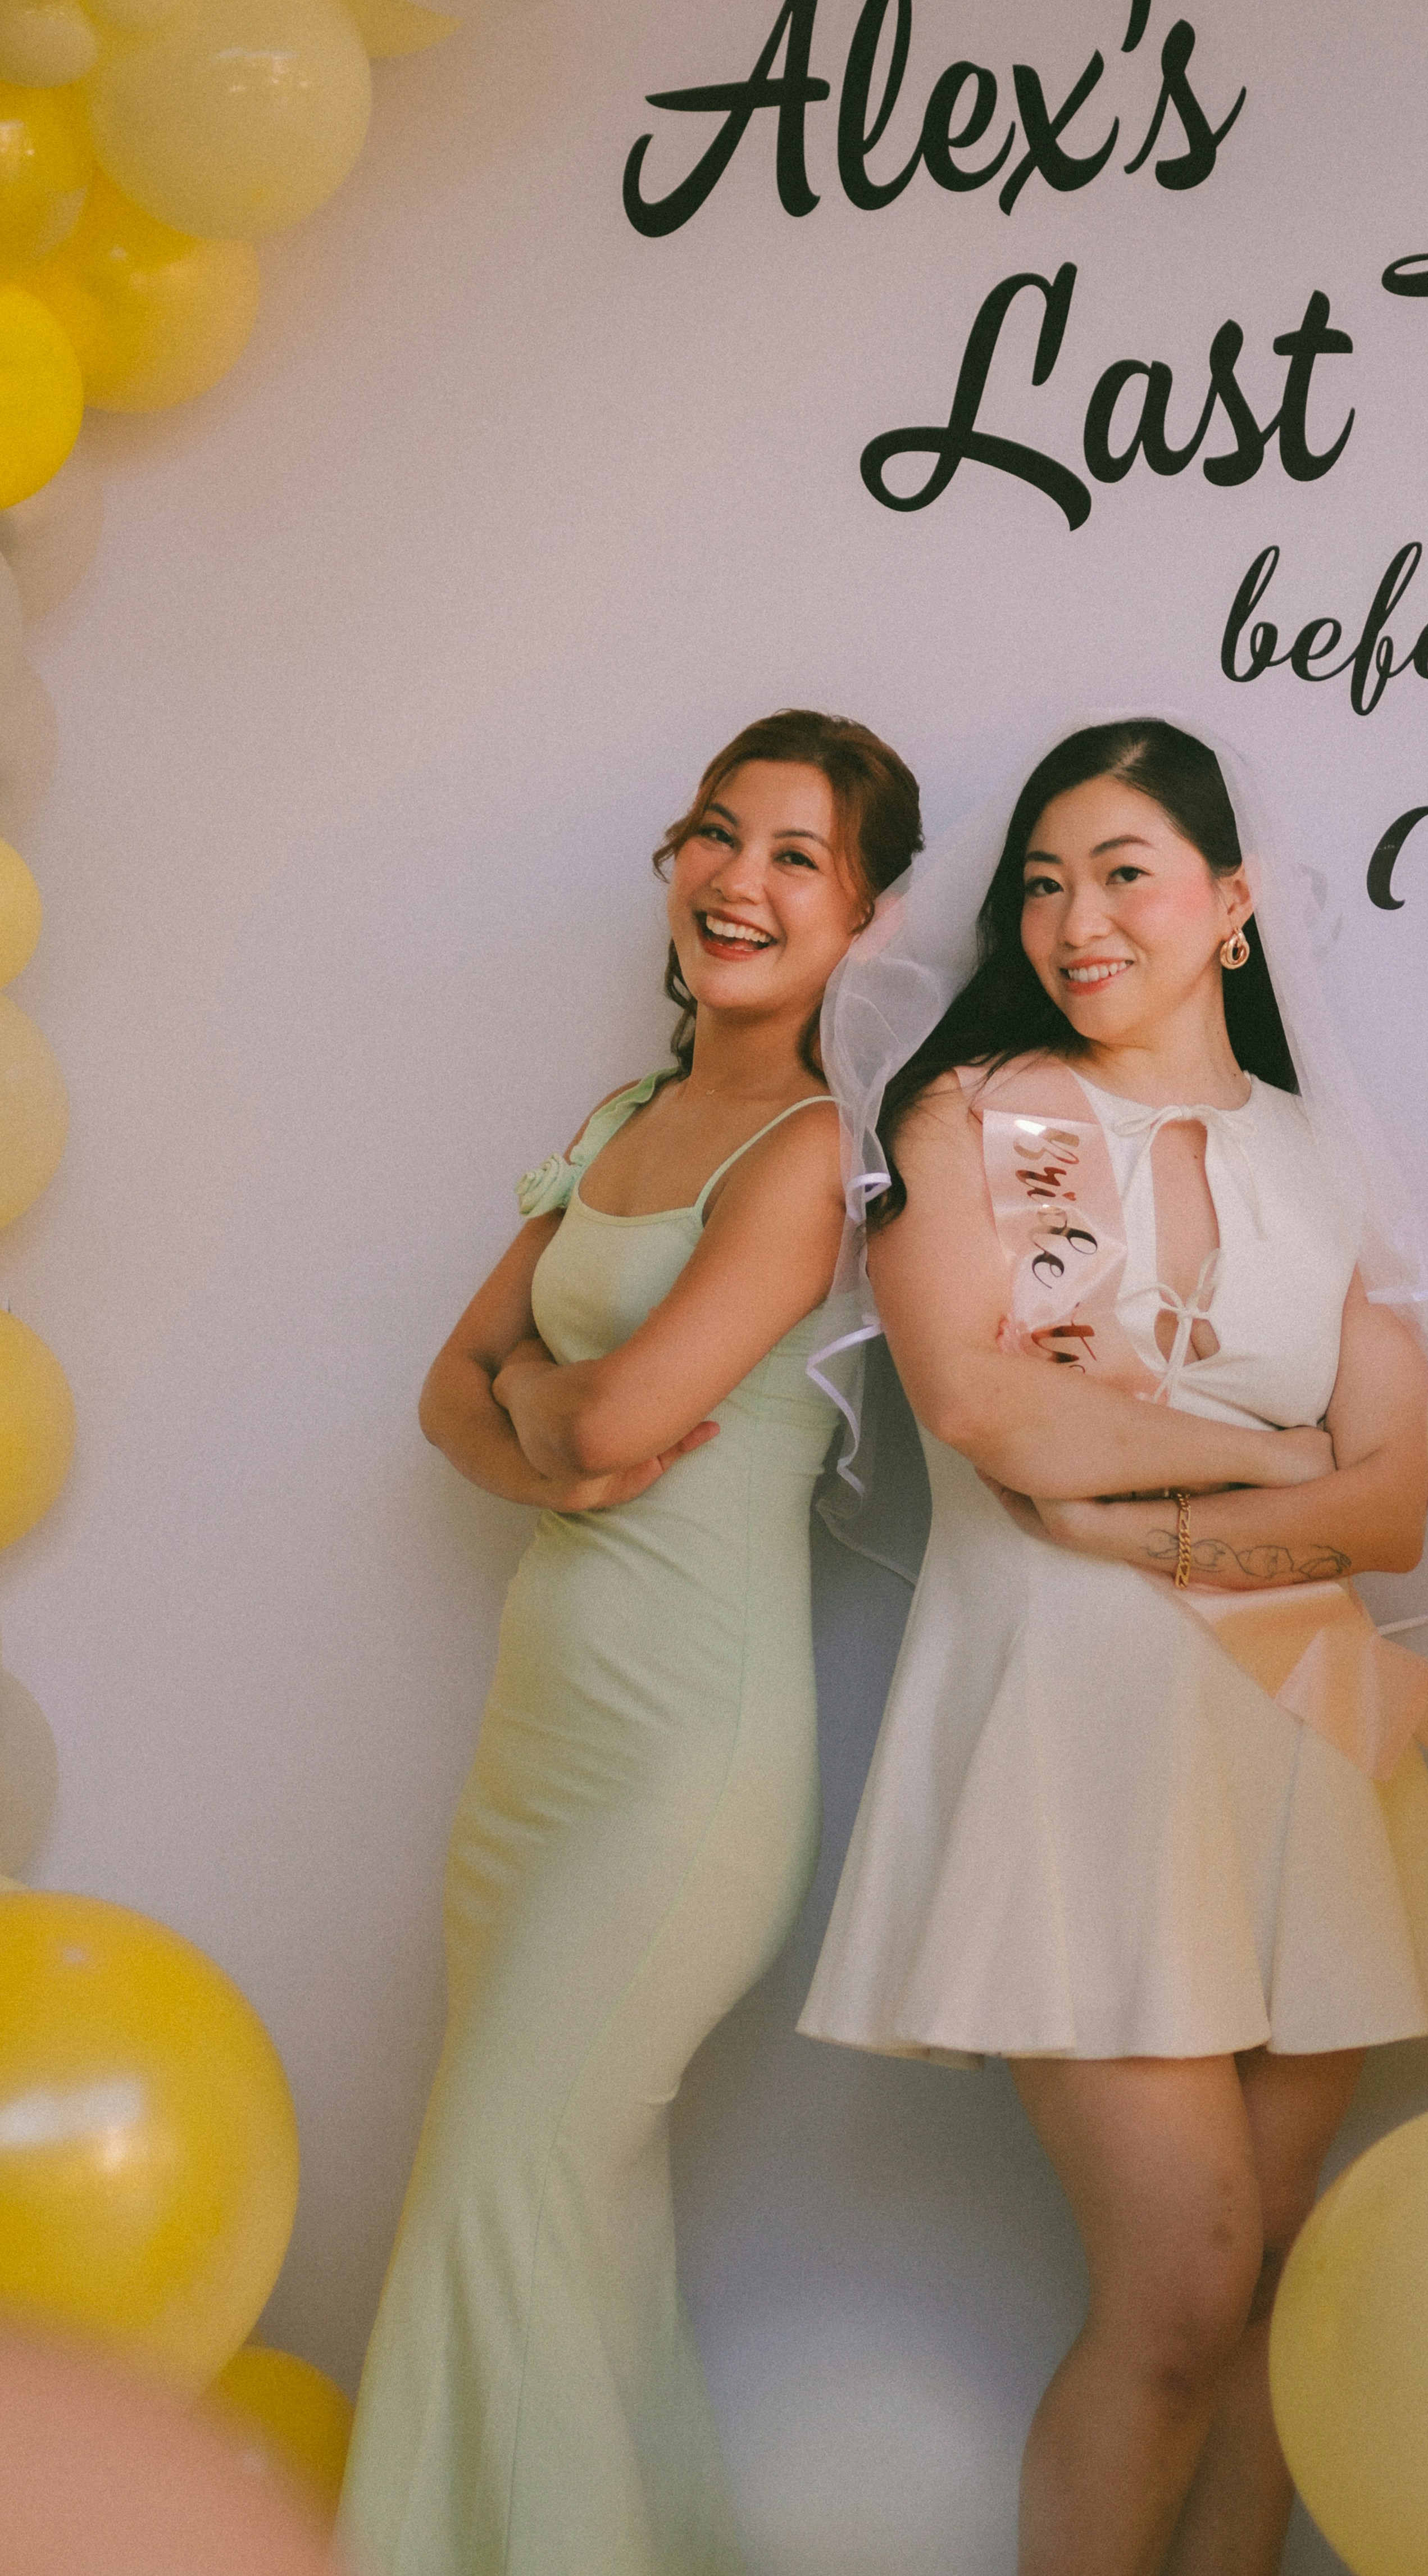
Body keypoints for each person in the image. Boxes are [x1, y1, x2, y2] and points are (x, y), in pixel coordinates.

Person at [800, 719, 1428, 2576]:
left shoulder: (1316, 1161)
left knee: (1275, 2290)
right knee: (1178, 2293)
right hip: (1073, 1747)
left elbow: (1393, 1514)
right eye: (1042, 878)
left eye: (1120, 870)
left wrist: (1154, 1510)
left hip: (1300, 1745)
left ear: (1229, 905)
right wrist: (1280, 1454)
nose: (1073, 915)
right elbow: (994, 1417)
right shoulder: (976, 1120)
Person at [342, 710, 922, 2576]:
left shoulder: (814, 1146)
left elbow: (591, 1427)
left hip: (684, 1763)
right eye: (710, 836)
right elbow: (453, 1393)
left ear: (865, 917)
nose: (735, 882)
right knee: (574, 2235)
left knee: (492, 2203)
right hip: (534, 1750)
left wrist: (549, 1407)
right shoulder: (613, 1124)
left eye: (793, 858)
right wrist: (548, 1400)